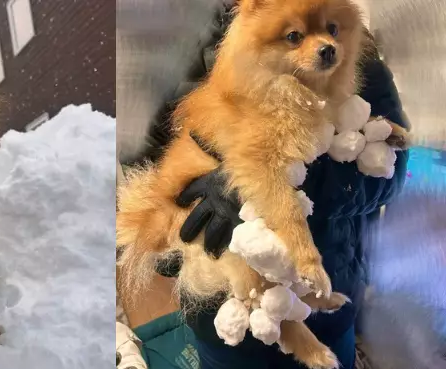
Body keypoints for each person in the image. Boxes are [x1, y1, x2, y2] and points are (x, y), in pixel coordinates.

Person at [153, 21, 410, 369]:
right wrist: (169, 240)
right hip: (221, 315)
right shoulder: (168, 53)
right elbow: (150, 171)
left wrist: (274, 180)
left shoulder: (353, 51)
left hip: (329, 297)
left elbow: (388, 179)